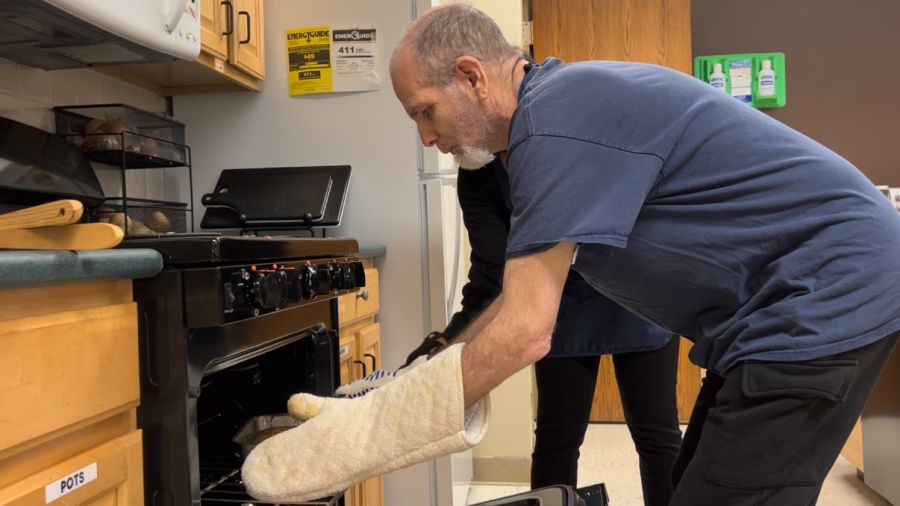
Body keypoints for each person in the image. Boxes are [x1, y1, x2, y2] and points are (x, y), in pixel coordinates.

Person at [241, 5, 900, 505]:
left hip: (825, 291)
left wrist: (362, 437)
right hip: (783, 305)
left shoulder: (553, 122)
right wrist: (408, 377)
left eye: (426, 111)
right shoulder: (548, 120)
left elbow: (528, 329)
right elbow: (504, 296)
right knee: (701, 478)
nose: (426, 135)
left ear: (471, 77)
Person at [401, 153, 682, 503]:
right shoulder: (478, 176)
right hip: (559, 301)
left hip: (636, 281)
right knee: (557, 437)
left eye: (428, 113)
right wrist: (447, 342)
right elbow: (491, 277)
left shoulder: (562, 133)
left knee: (657, 433)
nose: (429, 138)